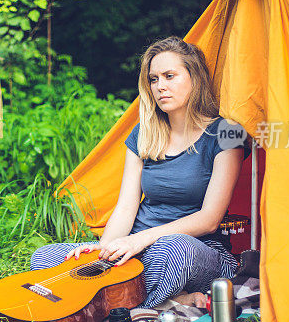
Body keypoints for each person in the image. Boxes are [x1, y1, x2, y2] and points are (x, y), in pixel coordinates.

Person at [31, 36, 245, 307]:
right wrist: (104, 248)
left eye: (169, 76)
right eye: (153, 79)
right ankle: (161, 299)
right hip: (134, 249)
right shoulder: (144, 132)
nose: (160, 87)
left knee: (172, 250)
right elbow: (126, 206)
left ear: (195, 78)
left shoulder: (227, 132)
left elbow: (209, 219)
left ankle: (117, 303)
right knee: (45, 256)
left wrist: (141, 240)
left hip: (192, 251)